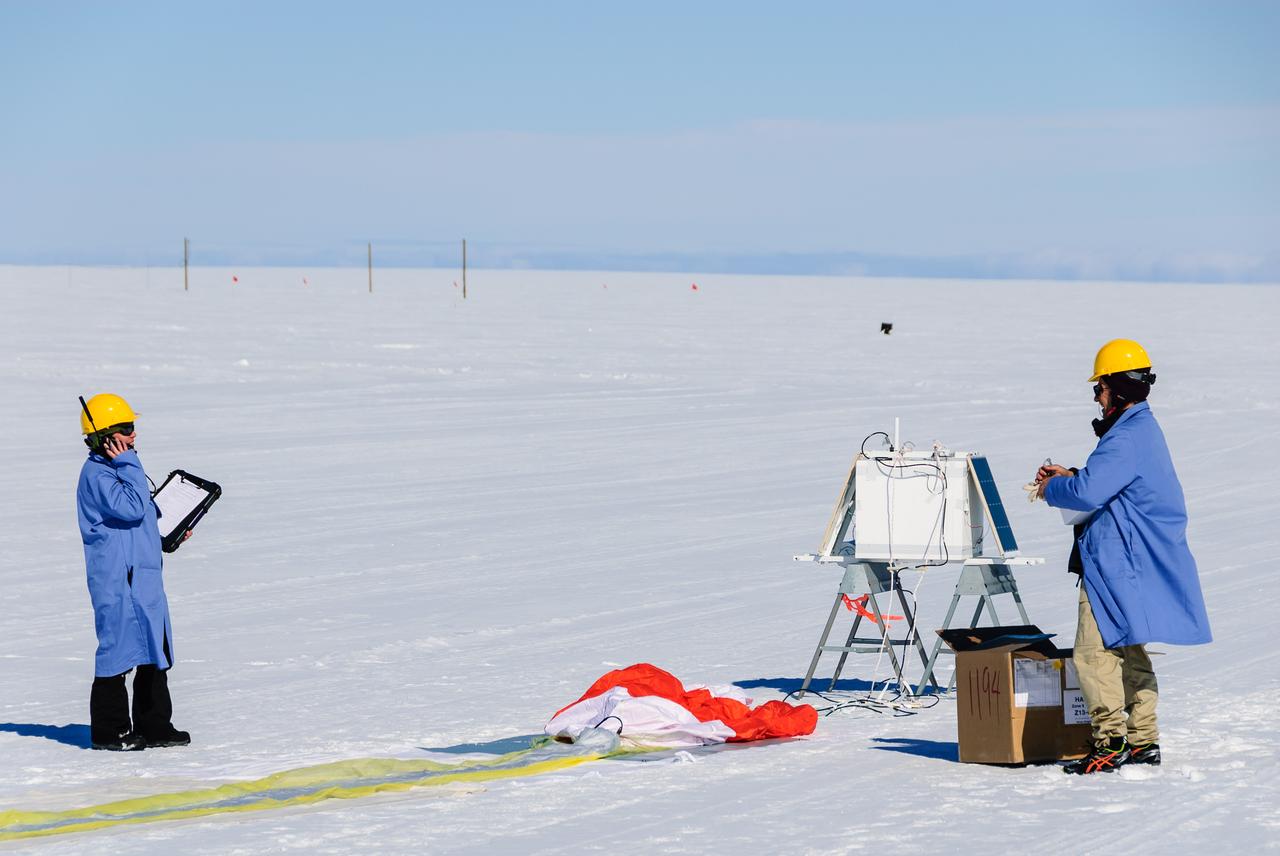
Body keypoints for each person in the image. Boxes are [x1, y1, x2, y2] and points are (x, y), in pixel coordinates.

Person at [1034, 339, 1211, 774]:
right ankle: (1144, 740)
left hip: (1115, 567)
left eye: (1100, 388)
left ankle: (1109, 742)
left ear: (1118, 389)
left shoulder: (1126, 436)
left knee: (1095, 655)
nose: (1096, 396)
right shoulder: (1141, 430)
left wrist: (1052, 488)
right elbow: (1107, 484)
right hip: (1131, 565)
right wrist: (1074, 474)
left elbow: (1091, 492)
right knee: (1130, 652)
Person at [77, 393, 190, 751]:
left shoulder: (123, 467)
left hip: (143, 575)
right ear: (104, 436)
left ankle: (155, 725)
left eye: (133, 427)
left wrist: (167, 534)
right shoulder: (97, 473)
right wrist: (128, 464)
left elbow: (140, 518)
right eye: (126, 428)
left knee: (155, 649)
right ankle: (110, 732)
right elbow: (128, 508)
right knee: (118, 649)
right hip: (117, 579)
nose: (133, 435)